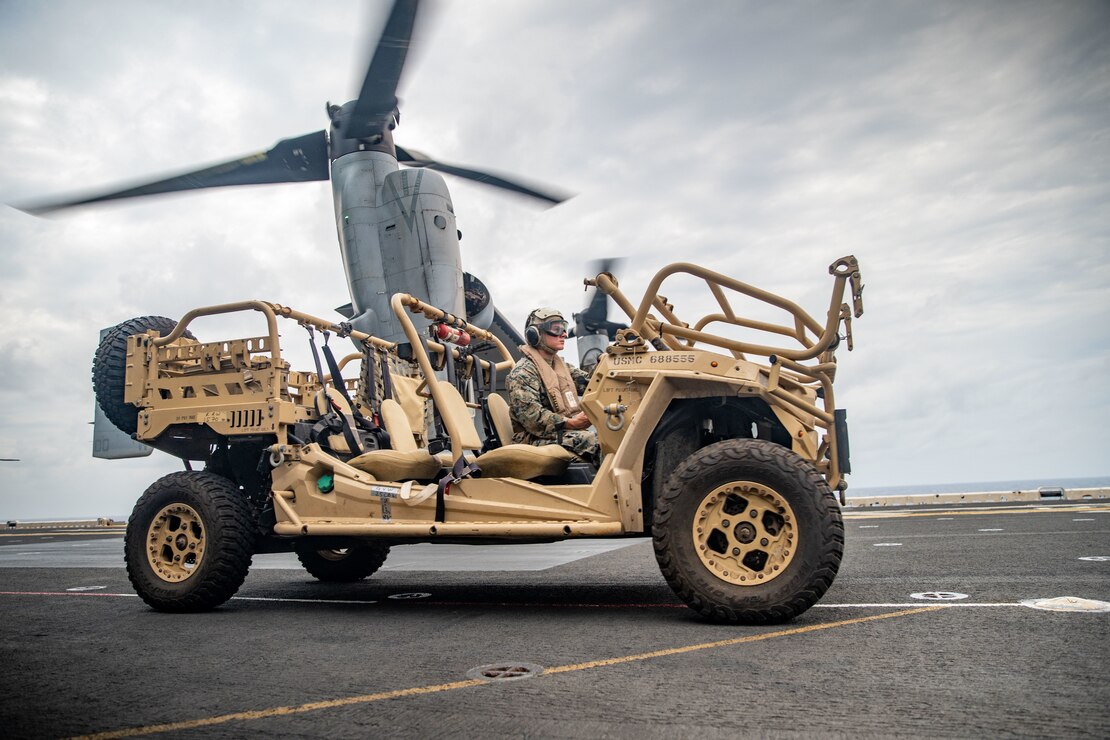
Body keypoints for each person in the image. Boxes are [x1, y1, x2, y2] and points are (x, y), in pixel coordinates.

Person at [506, 307, 599, 464]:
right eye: (556, 329)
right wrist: (571, 423)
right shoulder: (522, 373)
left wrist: (603, 365)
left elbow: (592, 384)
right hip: (533, 439)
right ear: (535, 334)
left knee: (613, 436)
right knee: (596, 443)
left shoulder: (561, 367)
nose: (564, 334)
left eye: (564, 328)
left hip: (559, 433)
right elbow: (532, 418)